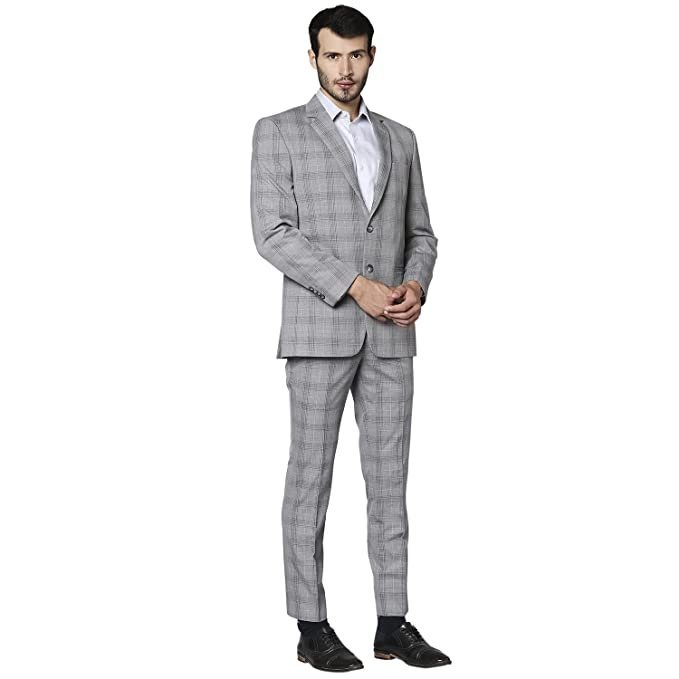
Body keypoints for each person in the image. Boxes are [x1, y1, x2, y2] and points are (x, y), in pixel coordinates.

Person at [250, 4, 451, 671]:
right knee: (309, 479)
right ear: (312, 57)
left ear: (372, 56)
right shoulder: (278, 131)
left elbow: (420, 232)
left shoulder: (401, 138)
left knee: (390, 480)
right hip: (318, 330)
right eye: (332, 55)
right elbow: (272, 232)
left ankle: (392, 621)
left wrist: (415, 284)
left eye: (356, 54)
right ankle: (310, 625)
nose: (345, 68)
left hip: (392, 335)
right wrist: (353, 285)